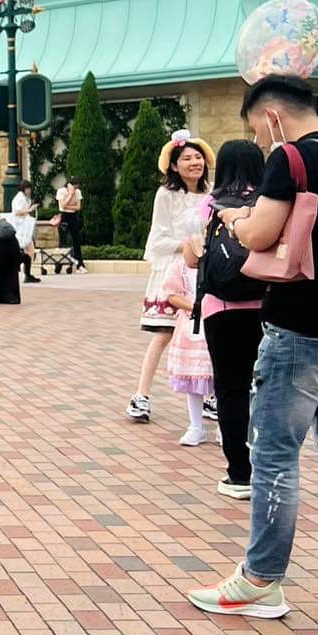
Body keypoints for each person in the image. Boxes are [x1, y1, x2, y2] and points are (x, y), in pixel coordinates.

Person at [189, 77, 318, 619]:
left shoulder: (292, 157)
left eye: (256, 129)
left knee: (273, 453)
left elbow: (261, 234)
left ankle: (260, 580)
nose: (262, 140)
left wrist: (236, 220)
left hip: (298, 326)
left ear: (271, 117)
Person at [190, 139, 267, 500]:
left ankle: (239, 473)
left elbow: (194, 258)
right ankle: (270, 469)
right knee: (266, 389)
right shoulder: (269, 202)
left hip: (220, 309)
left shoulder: (210, 203)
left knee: (230, 388)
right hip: (267, 307)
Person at [127, 131, 212, 421]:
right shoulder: (166, 195)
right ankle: (141, 395)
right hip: (174, 272)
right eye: (186, 158)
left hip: (204, 274)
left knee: (208, 335)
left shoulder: (212, 193)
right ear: (174, 165)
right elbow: (156, 239)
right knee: (163, 334)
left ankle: (211, 396)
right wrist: (187, 246)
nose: (194, 162)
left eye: (197, 157)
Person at [162, 251, 213, 446]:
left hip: (215, 322)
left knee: (221, 378)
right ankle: (196, 426)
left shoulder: (215, 259)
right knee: (193, 378)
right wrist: (194, 307)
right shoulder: (179, 267)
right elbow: (171, 294)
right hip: (191, 327)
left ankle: (224, 428)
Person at [10, 186, 41, 283]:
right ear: (26, 188)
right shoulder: (19, 198)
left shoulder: (22, 198)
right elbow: (17, 212)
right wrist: (30, 209)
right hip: (21, 228)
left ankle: (27, 273)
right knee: (29, 249)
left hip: (23, 227)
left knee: (30, 249)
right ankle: (26, 273)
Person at [56, 179, 85, 269]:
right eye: (74, 187)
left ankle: (79, 262)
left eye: (77, 187)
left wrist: (69, 206)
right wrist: (70, 194)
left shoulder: (78, 192)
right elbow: (63, 205)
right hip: (64, 216)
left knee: (76, 239)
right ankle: (59, 264)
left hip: (73, 216)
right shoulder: (61, 191)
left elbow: (78, 207)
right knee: (63, 240)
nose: (76, 189)